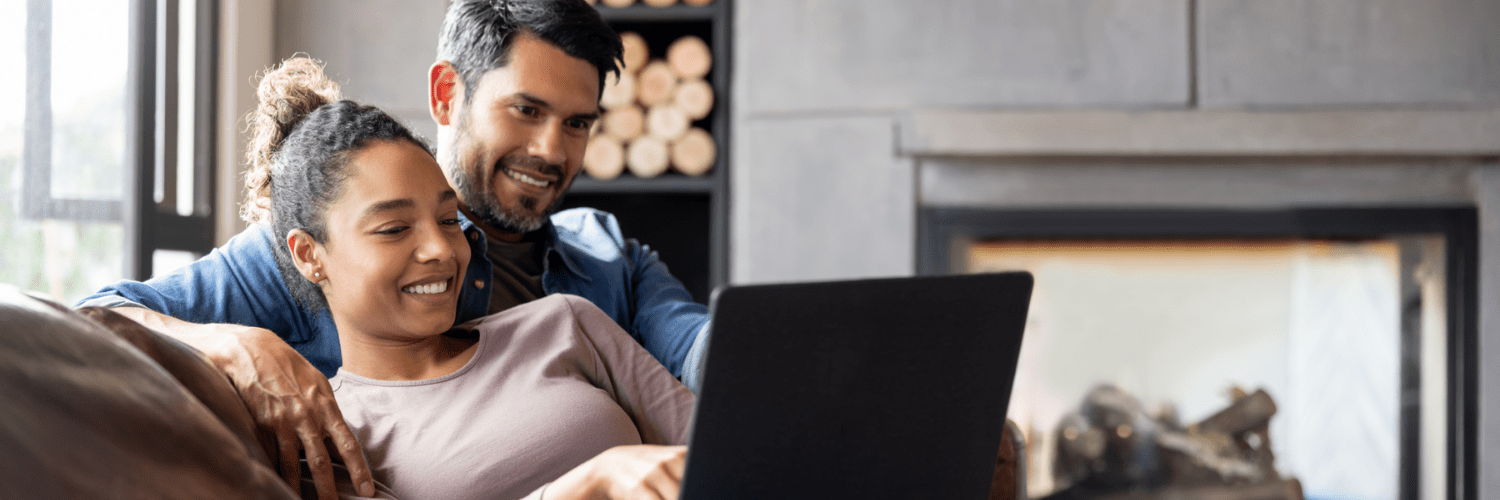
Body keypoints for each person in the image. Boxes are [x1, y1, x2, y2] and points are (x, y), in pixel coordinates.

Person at [78, 1, 709, 499]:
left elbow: (701, 352)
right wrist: (235, 343)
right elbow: (94, 317)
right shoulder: (302, 256)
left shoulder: (600, 264)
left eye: (577, 123)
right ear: (446, 94)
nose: (551, 149)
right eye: (525, 109)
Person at [254, 57, 693, 500]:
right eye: (394, 229)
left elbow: (723, 457)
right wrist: (592, 484)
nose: (442, 249)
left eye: (447, 220)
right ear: (310, 255)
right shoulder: (328, 434)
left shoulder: (566, 324)